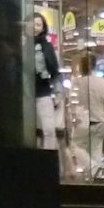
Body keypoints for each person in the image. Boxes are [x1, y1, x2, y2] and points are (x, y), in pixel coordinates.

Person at [75, 52, 104, 179]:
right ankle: (96, 175)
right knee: (96, 149)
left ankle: (92, 169)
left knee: (76, 147)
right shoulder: (103, 83)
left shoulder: (78, 83)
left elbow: (74, 104)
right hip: (101, 121)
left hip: (84, 122)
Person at [30, 13, 60, 152]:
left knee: (48, 130)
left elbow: (54, 70)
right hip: (26, 94)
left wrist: (57, 93)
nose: (35, 28)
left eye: (38, 24)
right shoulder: (21, 44)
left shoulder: (47, 46)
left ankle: (48, 157)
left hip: (43, 91)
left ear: (43, 28)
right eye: (32, 24)